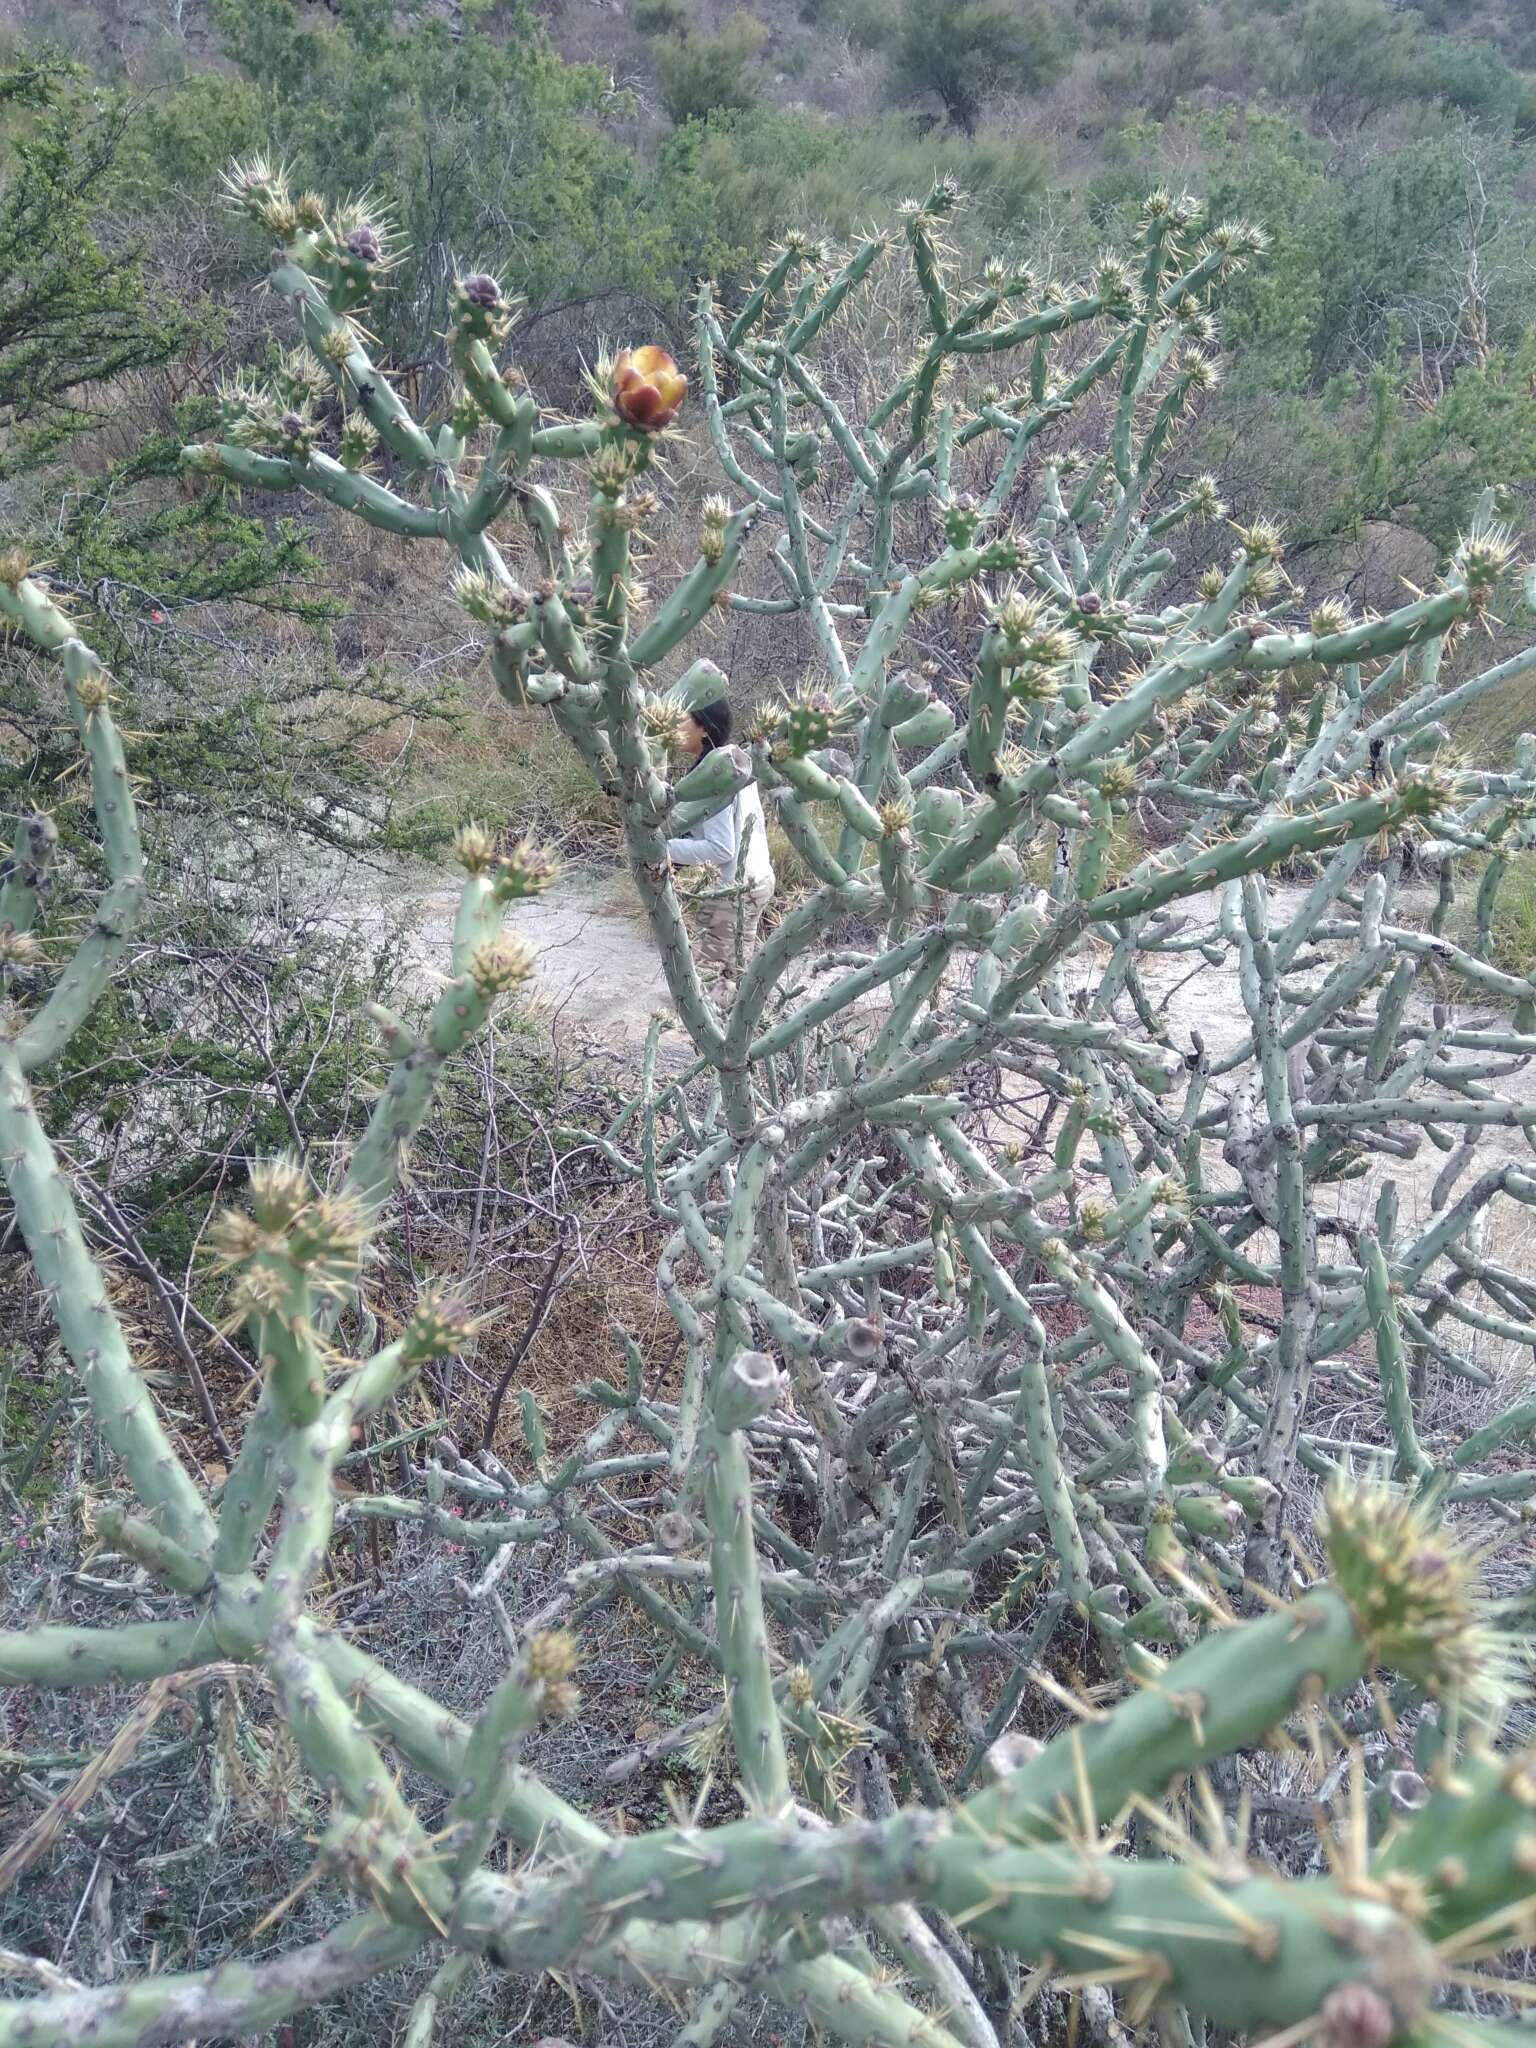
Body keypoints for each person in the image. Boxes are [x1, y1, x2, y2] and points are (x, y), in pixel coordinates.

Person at [664, 697, 775, 997]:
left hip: (733, 888)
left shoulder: (716, 775)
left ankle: (701, 1036)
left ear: (703, 728)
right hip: (757, 879)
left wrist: (663, 848)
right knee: (738, 968)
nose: (674, 725)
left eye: (682, 718)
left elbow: (721, 848)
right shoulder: (732, 764)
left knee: (709, 975)